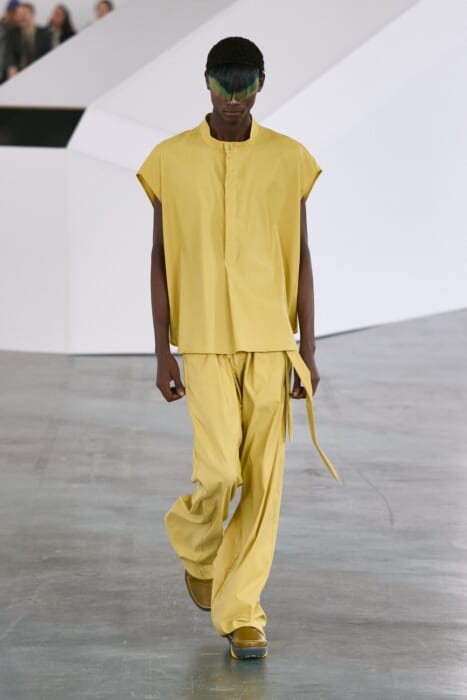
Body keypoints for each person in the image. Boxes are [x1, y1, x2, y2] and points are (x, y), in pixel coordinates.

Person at [136, 36, 341, 661]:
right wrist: (161, 350)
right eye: (224, 84)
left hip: (270, 342)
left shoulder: (289, 158)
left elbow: (302, 255)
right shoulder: (169, 159)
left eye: (244, 84)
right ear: (206, 82)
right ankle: (197, 543)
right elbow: (159, 257)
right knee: (222, 470)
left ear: (261, 84)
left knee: (263, 482)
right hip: (201, 342)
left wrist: (308, 348)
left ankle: (243, 613)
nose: (233, 97)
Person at [5, 2, 51, 79]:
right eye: (18, 15)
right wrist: (11, 67)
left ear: (32, 14)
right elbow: (9, 53)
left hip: (39, 73)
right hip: (19, 74)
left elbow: (48, 55)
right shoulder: (12, 33)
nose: (21, 18)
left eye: (24, 14)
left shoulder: (44, 33)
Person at [0, 0, 18, 83]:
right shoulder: (2, 26)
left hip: (12, 71)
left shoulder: (20, 30)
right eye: (9, 11)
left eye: (14, 12)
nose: (11, 15)